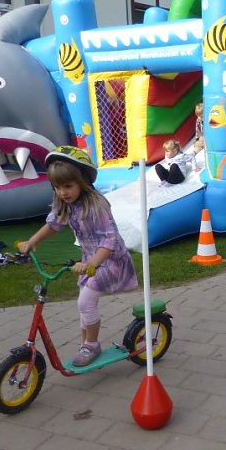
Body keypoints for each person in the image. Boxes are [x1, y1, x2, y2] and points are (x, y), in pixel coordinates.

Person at [19, 146, 138, 367]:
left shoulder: (96, 204)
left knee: (85, 301)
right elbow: (53, 225)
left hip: (110, 261)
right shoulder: (66, 204)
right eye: (57, 187)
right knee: (84, 301)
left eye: (68, 186)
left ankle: (91, 346)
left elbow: (110, 240)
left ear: (82, 181)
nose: (63, 192)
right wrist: (32, 241)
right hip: (90, 261)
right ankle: (86, 343)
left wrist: (92, 262)